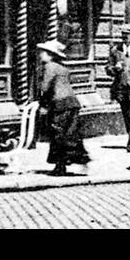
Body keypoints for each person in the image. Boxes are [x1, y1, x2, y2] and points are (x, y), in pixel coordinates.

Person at [36, 41, 90, 176]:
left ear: (50, 55)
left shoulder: (50, 66)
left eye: (43, 52)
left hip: (60, 104)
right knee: (70, 133)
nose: (40, 55)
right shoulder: (63, 67)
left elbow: (45, 88)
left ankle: (60, 166)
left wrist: (42, 104)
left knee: (57, 134)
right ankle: (76, 159)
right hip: (72, 103)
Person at [107, 22, 130, 152]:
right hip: (121, 88)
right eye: (123, 34)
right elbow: (108, 69)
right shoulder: (116, 50)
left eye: (127, 34)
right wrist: (114, 69)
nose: (124, 37)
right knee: (126, 115)